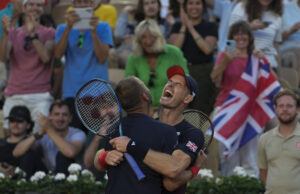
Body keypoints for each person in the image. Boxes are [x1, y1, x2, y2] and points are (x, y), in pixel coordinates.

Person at [108, 66, 206, 193]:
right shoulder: (146, 124)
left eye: (177, 84)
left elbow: (170, 183)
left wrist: (195, 169)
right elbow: (102, 156)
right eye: (169, 81)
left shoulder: (192, 134)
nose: (169, 85)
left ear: (187, 98)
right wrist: (105, 156)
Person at [94, 76, 178, 194]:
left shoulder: (112, 130)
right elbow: (172, 175)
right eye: (144, 86)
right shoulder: (167, 131)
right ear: (145, 96)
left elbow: (99, 161)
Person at [210, 21, 266, 177]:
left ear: (249, 37)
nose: (241, 37)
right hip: (227, 108)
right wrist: (225, 62)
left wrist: (264, 62)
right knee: (228, 156)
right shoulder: (225, 55)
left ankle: (252, 187)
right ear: (231, 37)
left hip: (250, 110)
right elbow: (214, 78)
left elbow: (270, 83)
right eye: (237, 34)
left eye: (244, 33)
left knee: (251, 158)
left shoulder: (255, 57)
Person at [54, 0, 113, 132]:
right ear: (73, 6)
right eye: (78, 2)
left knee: (97, 139)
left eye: (85, 2)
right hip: (72, 93)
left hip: (98, 93)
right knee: (74, 137)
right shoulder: (63, 28)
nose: (81, 6)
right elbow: (57, 55)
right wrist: (69, 27)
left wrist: (93, 31)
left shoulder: (103, 27)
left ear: (93, 5)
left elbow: (102, 57)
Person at [0, 0, 55, 134]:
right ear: (24, 8)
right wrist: (6, 34)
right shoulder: (13, 32)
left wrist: (33, 35)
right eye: (31, 4)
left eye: (38, 5)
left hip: (40, 94)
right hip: (15, 93)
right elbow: (3, 57)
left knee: (38, 137)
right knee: (9, 137)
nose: (35, 8)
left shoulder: (50, 32)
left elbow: (45, 57)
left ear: (43, 9)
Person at [125, 19, 188, 116]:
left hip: (172, 111)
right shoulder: (134, 58)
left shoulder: (174, 53)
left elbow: (185, 86)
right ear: (138, 40)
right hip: (143, 113)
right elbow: (129, 90)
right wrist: (144, 110)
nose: (148, 41)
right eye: (143, 37)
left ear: (159, 37)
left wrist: (166, 108)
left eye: (152, 36)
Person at [168, 0, 218, 115]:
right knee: (179, 109)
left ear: (203, 6)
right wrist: (184, 27)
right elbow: (175, 49)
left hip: (203, 73)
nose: (194, 7)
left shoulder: (210, 26)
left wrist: (191, 28)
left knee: (199, 112)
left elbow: (207, 49)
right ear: (186, 7)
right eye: (190, 3)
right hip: (181, 73)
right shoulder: (176, 26)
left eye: (198, 3)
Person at [13, 101, 86, 174]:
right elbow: (16, 153)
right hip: (48, 176)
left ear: (70, 118)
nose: (60, 118)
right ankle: (25, 184)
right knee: (28, 155)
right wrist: (38, 134)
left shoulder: (78, 133)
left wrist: (48, 129)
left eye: (65, 115)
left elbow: (70, 152)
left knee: (62, 156)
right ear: (49, 116)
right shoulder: (44, 134)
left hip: (72, 178)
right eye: (56, 114)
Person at [258, 89, 300, 194]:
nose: (284, 109)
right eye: (281, 106)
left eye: (289, 106)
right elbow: (263, 171)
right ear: (275, 109)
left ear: (298, 109)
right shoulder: (264, 139)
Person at [229, 0, 283, 70]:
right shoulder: (241, 8)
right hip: (243, 63)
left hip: (268, 64)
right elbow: (230, 39)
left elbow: (276, 46)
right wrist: (249, 27)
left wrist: (280, 75)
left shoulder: (277, 16)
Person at [0, 106, 45, 179]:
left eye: (19, 121)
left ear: (28, 125)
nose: (15, 124)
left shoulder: (32, 144)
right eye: (12, 120)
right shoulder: (1, 142)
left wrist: (14, 171)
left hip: (25, 186)